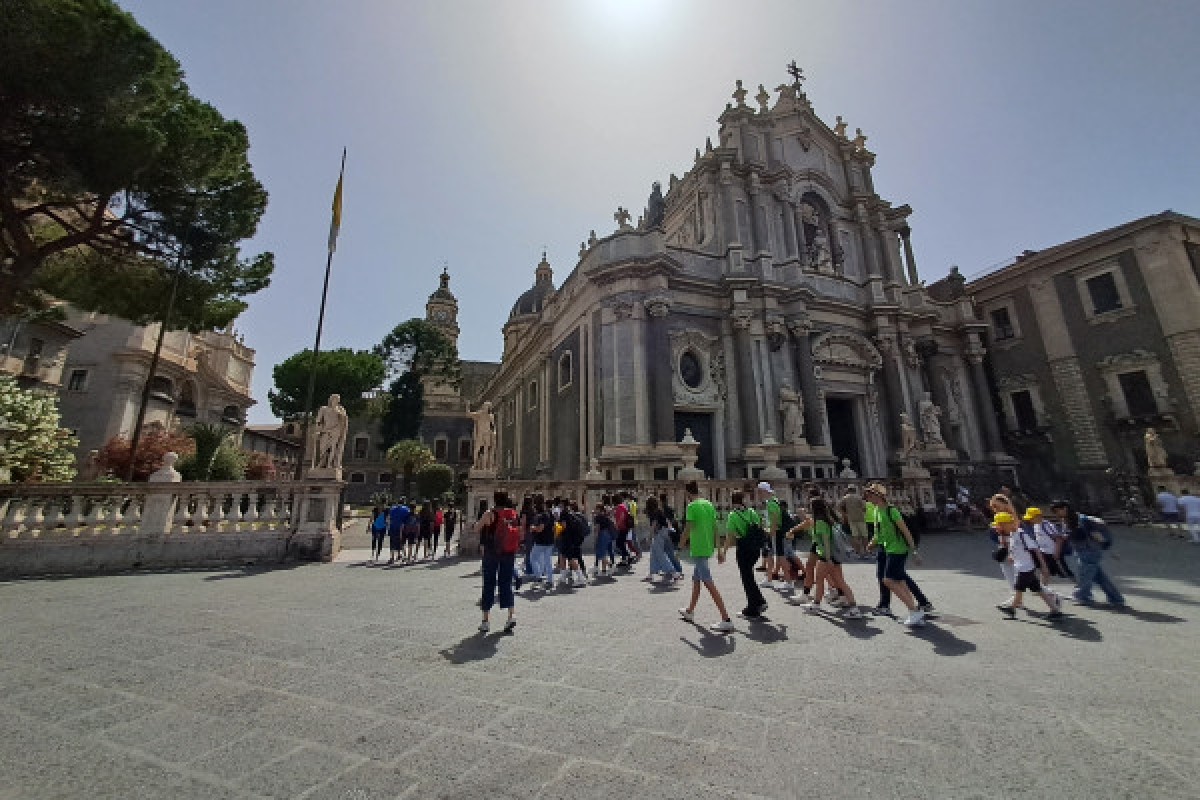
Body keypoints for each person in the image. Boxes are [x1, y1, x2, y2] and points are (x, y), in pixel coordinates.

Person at [862, 483, 926, 627]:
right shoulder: (877, 510)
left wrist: (914, 551)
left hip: (898, 549)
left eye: (870, 495)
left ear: (878, 496)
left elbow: (906, 532)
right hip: (888, 548)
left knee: (888, 580)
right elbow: (879, 533)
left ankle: (914, 611)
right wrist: (871, 543)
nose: (867, 498)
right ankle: (915, 612)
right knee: (900, 581)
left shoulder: (892, 511)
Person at [677, 480, 734, 632]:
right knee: (696, 579)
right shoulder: (708, 504)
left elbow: (687, 530)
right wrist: (719, 549)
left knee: (708, 583)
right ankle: (690, 611)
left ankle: (726, 618)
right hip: (708, 547)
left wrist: (679, 548)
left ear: (687, 493)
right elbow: (715, 528)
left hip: (699, 548)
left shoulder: (691, 506)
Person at [1050, 501, 1125, 607]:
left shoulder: (1082, 520)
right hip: (1081, 551)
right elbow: (1069, 535)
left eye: (1057, 511)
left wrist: (1105, 546)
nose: (1056, 514)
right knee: (1099, 577)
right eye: (1055, 512)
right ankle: (1116, 598)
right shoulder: (1067, 520)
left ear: (1065, 508)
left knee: (1084, 575)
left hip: (1090, 551)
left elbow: (1096, 534)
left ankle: (1082, 596)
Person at [800, 495, 862, 618]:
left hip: (826, 556)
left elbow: (826, 542)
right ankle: (854, 608)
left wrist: (827, 559)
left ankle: (816, 605)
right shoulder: (828, 521)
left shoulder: (820, 523)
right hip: (833, 556)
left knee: (819, 580)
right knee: (840, 582)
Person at [994, 512, 1063, 620]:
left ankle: (1012, 609)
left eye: (1000, 525)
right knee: (1038, 590)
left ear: (1007, 524)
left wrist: (1044, 566)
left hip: (1025, 568)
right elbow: (1015, 549)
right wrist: (1011, 556)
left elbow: (1036, 549)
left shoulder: (1021, 534)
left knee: (1019, 589)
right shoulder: (1012, 535)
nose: (998, 528)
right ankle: (1055, 610)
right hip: (1022, 567)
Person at [474, 490, 518, 633]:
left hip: (492, 552)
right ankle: (511, 615)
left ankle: (486, 620)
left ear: (494, 499)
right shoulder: (512, 513)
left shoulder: (489, 513)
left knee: (489, 583)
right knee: (506, 583)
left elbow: (476, 528)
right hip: (508, 552)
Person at [725, 490, 768, 619]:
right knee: (749, 576)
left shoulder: (733, 515)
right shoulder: (751, 512)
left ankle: (753, 608)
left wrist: (724, 551)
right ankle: (759, 601)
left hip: (744, 548)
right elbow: (759, 525)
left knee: (746, 578)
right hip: (755, 548)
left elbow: (730, 536)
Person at [644, 496, 684, 582]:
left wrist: (649, 536)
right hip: (665, 532)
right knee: (654, 554)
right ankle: (651, 573)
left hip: (659, 533)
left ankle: (673, 572)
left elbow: (654, 524)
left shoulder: (653, 512)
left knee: (660, 554)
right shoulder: (659, 510)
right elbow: (667, 521)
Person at [529, 496, 555, 590]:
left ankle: (538, 577)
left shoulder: (542, 515)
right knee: (547, 561)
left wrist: (533, 528)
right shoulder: (549, 514)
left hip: (541, 541)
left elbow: (540, 528)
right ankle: (550, 581)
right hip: (549, 540)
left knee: (533, 558)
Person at [756, 481, 780, 584]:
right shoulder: (772, 501)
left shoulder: (771, 503)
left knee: (776, 556)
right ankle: (770, 577)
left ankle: (771, 578)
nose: (759, 494)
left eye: (760, 492)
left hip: (773, 532)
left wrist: (771, 533)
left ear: (764, 491)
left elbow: (774, 519)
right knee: (772, 555)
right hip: (772, 531)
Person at [838, 485, 870, 559]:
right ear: (855, 490)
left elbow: (839, 507)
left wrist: (845, 514)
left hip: (851, 519)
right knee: (864, 536)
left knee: (855, 536)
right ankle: (866, 552)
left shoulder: (845, 498)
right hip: (861, 518)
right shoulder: (859, 498)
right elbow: (864, 508)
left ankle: (858, 553)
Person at [591, 501, 617, 578]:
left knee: (601, 554)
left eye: (596, 508)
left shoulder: (598, 517)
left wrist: (595, 539)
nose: (595, 510)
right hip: (608, 535)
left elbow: (597, 528)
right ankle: (604, 571)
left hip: (602, 534)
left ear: (599, 509)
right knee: (604, 554)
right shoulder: (606, 516)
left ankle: (611, 566)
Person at [386, 500, 411, 565]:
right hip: (401, 528)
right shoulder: (406, 509)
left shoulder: (392, 509)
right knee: (401, 543)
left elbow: (389, 518)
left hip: (393, 527)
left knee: (392, 543)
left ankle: (392, 557)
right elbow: (407, 519)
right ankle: (402, 556)